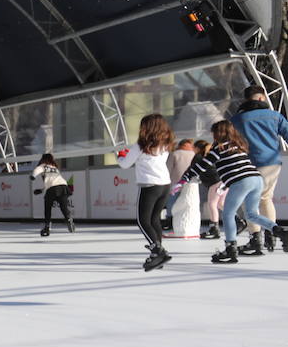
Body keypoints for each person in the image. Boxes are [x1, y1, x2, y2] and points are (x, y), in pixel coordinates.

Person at [178, 120, 288, 264]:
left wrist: (184, 178)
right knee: (252, 214)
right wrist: (224, 184)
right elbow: (233, 167)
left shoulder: (219, 148)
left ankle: (231, 250)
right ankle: (281, 232)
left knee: (228, 214)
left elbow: (203, 165)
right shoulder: (239, 145)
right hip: (256, 179)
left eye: (214, 133)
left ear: (219, 133)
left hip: (242, 181)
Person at [229, 84, 288, 256]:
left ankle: (255, 239)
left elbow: (228, 143)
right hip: (272, 163)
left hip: (249, 164)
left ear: (246, 99)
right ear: (262, 97)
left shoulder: (237, 120)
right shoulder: (274, 116)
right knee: (266, 198)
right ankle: (271, 233)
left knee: (250, 203)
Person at [116, 114, 175, 271]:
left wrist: (120, 156)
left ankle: (157, 251)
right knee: (154, 219)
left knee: (143, 220)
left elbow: (125, 164)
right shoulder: (165, 144)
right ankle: (158, 254)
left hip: (149, 185)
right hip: (164, 184)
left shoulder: (141, 145)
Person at [31, 153, 75, 236]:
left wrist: (33, 176)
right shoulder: (55, 168)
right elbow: (53, 180)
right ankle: (69, 219)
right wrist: (42, 190)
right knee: (63, 207)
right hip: (63, 186)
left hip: (52, 189)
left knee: (47, 208)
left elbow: (37, 170)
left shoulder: (43, 166)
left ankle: (47, 227)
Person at [192, 140, 225, 240]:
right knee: (221, 204)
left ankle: (214, 229)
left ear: (197, 148)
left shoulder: (198, 156)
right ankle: (237, 220)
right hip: (223, 181)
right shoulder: (211, 155)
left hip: (214, 182)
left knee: (212, 204)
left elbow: (193, 170)